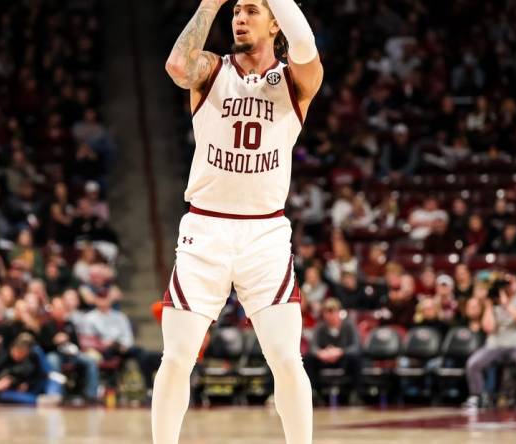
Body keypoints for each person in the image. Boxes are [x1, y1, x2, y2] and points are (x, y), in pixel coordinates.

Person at [157, 1, 322, 442]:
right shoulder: (212, 69)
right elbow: (176, 65)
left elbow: (304, 43)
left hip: (264, 234)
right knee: (176, 357)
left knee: (287, 359)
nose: (240, 18)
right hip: (205, 229)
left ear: (275, 23)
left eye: (251, 10)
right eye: (236, 11)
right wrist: (211, 3)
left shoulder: (295, 79)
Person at [463, 277, 516, 410]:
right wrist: (488, 305)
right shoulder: (493, 302)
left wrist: (507, 305)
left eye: (511, 283)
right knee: (473, 363)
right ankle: (476, 396)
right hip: (495, 345)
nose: (508, 286)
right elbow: (488, 328)